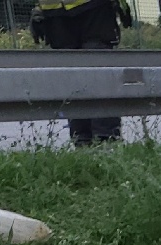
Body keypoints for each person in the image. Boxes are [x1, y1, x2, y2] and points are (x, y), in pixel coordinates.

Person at [30, 0, 133, 146]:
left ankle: (104, 141)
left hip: (91, 9)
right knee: (75, 81)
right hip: (56, 14)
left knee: (95, 76)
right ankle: (86, 142)